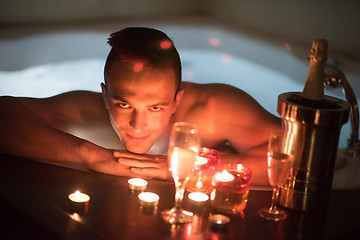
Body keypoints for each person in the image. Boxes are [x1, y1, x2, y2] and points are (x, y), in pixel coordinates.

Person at [0, 27, 280, 186]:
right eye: (123, 104)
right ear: (105, 96)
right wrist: (92, 155)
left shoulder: (213, 110)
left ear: (176, 101)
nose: (138, 125)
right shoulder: (86, 110)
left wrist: (188, 167)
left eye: (155, 108)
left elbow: (295, 156)